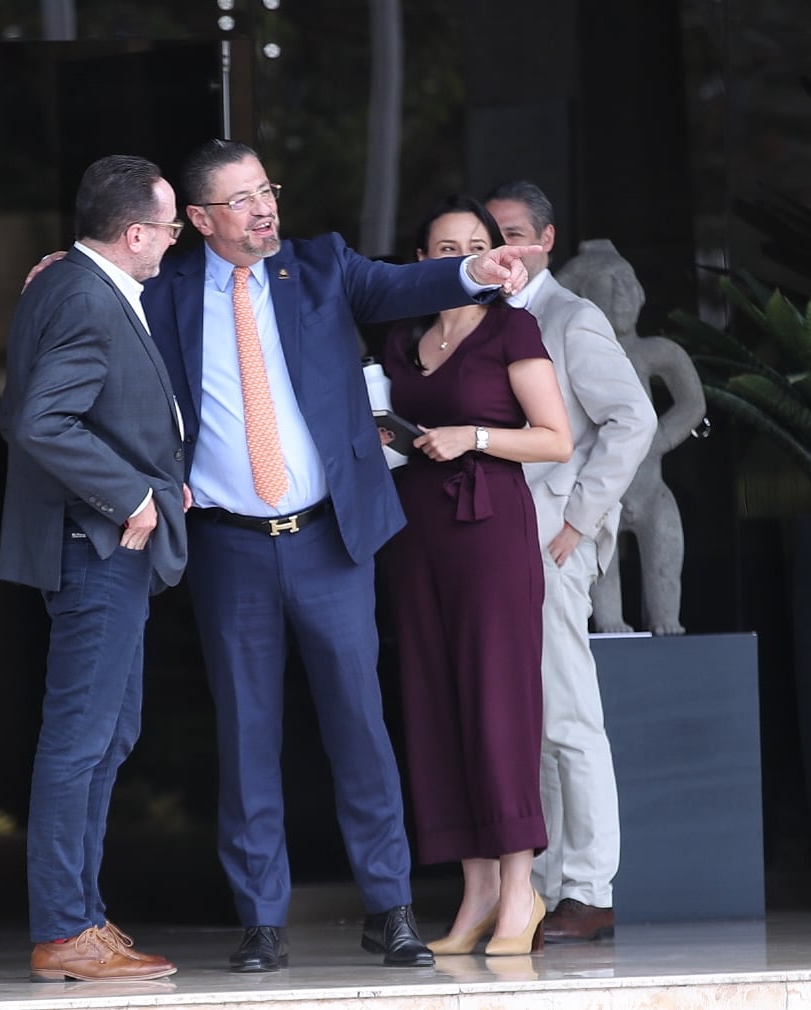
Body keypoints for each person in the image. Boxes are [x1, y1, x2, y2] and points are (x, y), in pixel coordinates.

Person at [139, 140, 540, 973]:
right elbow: (102, 323)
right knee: (246, 734)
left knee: (358, 725)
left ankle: (389, 908)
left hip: (326, 539)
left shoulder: (319, 266)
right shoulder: (163, 291)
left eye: (266, 190)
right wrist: (62, 275)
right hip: (227, 547)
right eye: (241, 199)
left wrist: (474, 272)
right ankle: (260, 920)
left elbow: (402, 284)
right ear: (202, 220)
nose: (263, 208)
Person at [0, 155, 187, 983]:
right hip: (98, 545)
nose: (176, 238)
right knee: (80, 739)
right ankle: (63, 927)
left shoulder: (71, 282)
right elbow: (38, 420)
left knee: (107, 735)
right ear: (135, 232)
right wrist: (132, 498)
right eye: (172, 224)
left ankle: (81, 916)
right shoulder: (80, 292)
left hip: (102, 543)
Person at [380, 194, 573, 957]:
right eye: (439, 246)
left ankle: (520, 891)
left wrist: (474, 436)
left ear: (498, 256)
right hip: (415, 533)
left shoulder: (511, 327)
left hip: (489, 527)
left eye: (472, 242)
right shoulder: (402, 337)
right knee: (433, 704)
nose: (456, 255)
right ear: (421, 262)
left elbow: (555, 440)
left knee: (498, 705)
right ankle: (477, 892)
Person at [484, 182, 657, 943]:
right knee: (534, 721)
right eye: (493, 235)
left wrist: (580, 519)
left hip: (552, 543)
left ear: (546, 240)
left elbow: (634, 417)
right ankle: (550, 887)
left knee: (568, 718)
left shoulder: (569, 317)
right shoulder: (491, 316)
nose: (504, 248)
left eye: (516, 233)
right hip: (500, 543)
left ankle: (588, 889)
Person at [558, 238, 704, 637]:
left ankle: (665, 620)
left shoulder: (657, 351)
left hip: (652, 488)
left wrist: (654, 441)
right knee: (607, 605)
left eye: (627, 282)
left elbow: (692, 403)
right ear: (585, 297)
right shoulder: (577, 353)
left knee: (666, 557)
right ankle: (611, 624)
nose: (622, 294)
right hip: (600, 496)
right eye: (609, 284)